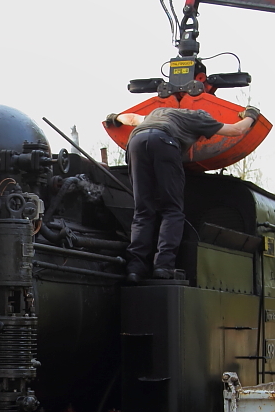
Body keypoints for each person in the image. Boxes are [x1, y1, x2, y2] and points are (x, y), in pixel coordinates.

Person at [105, 106, 259, 283]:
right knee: (172, 210)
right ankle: (163, 266)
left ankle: (135, 269)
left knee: (143, 210)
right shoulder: (199, 118)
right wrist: (251, 115)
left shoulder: (159, 113)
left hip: (136, 143)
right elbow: (236, 130)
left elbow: (132, 119)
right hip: (165, 143)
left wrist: (114, 118)